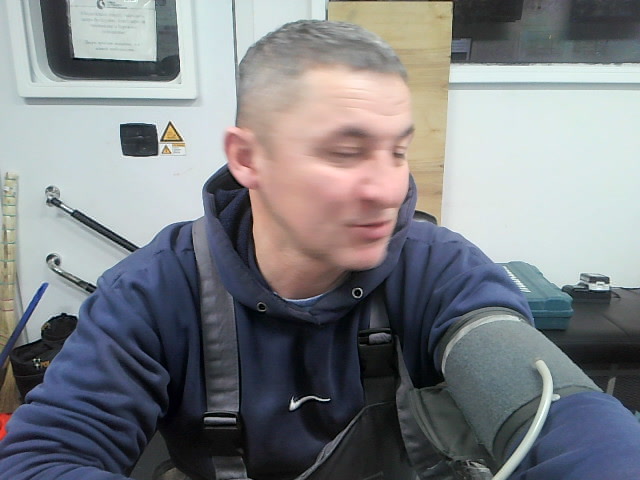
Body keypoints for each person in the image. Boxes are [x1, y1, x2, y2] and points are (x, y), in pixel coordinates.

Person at [1, 19, 639, 480]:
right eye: (344, 152)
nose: (387, 188)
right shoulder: (152, 292)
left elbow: (566, 419)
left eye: (396, 151)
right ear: (248, 158)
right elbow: (44, 458)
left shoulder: (437, 269)